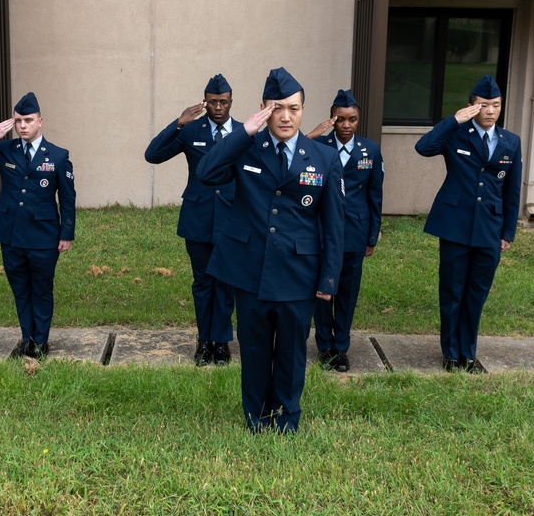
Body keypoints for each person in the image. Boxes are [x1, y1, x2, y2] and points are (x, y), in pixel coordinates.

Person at [197, 67, 344, 433]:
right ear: (264, 108)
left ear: (303, 109)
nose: (285, 115)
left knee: (293, 352)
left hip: (299, 272)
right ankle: (256, 415)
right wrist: (244, 131)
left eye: (293, 108)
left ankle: (287, 417)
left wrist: (329, 277)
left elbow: (334, 225)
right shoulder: (248, 147)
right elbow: (206, 172)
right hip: (250, 270)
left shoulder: (322, 158)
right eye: (277, 107)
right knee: (255, 349)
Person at [414, 75, 522, 374]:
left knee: (477, 293)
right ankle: (450, 353)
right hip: (455, 225)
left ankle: (468, 353)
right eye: (484, 105)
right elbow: (423, 147)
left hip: (490, 228)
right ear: (472, 107)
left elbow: (512, 191)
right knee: (452, 291)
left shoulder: (511, 142)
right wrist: (454, 120)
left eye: (496, 105)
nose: (490, 111)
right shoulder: (457, 135)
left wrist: (507, 231)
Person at [0, 92, 75, 360]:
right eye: (18, 121)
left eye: (28, 120)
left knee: (41, 288)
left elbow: (68, 199)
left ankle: (41, 341)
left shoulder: (58, 156)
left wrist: (66, 234)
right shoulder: (5, 150)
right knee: (20, 289)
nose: (22, 125)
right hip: (11, 233)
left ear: (40, 121)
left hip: (43, 236)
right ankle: (27, 339)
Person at [144, 73, 243, 366]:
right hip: (198, 218)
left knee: (224, 282)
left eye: (223, 102)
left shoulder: (243, 133)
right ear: (205, 102)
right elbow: (153, 155)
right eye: (213, 102)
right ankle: (204, 341)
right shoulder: (192, 130)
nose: (218, 107)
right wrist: (178, 122)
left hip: (230, 220)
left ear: (231, 102)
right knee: (202, 282)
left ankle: (222, 342)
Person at [305, 89, 384, 372]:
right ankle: (324, 345)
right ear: (332, 120)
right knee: (323, 289)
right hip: (323, 231)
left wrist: (372, 235)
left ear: (358, 120)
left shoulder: (370, 150)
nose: (347, 125)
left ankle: (341, 347)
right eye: (341, 119)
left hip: (354, 231)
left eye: (352, 119)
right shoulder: (320, 146)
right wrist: (313, 135)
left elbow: (375, 195)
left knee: (347, 292)